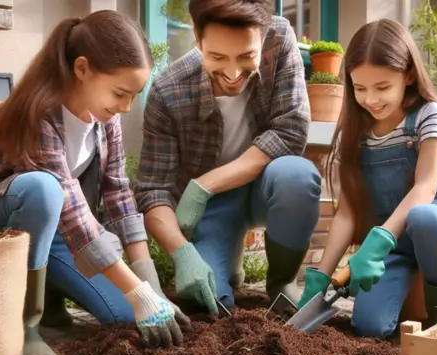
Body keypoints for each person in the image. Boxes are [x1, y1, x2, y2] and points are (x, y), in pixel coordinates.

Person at [0, 11, 191, 355]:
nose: (125, 107)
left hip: (56, 231)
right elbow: (72, 210)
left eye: (134, 95)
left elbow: (118, 195)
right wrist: (137, 292)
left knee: (126, 318)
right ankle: (24, 325)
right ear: (82, 69)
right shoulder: (40, 114)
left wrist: (149, 287)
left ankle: (52, 301)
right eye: (120, 93)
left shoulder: (105, 121)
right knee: (45, 189)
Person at [134, 0, 322, 315]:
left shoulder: (280, 38)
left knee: (297, 177)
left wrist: (203, 185)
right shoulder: (168, 91)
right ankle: (226, 255)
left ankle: (282, 283)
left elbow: (291, 130)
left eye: (247, 56)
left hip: (267, 185)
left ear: (263, 38)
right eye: (217, 57)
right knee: (209, 301)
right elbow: (152, 190)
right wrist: (182, 253)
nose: (233, 73)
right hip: (214, 206)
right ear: (197, 38)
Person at [299, 19, 437, 338]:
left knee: (425, 216)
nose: (371, 99)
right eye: (360, 88)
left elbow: (425, 187)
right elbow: (347, 213)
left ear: (408, 75)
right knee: (369, 326)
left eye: (382, 87)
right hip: (392, 249)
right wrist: (321, 276)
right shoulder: (357, 131)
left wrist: (378, 240)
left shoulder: (428, 114)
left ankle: (436, 318)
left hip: (430, 229)